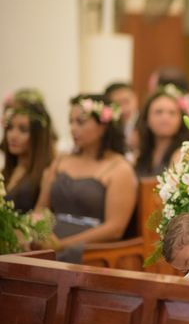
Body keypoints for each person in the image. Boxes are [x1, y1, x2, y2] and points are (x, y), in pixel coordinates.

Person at [33, 94, 137, 262]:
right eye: (71, 122)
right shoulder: (61, 160)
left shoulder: (120, 169)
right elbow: (40, 209)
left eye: (80, 122)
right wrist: (41, 234)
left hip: (90, 250)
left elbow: (115, 228)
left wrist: (63, 244)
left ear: (103, 126)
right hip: (50, 239)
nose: (73, 128)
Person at [1, 99, 55, 212]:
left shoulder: (46, 173)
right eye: (10, 128)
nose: (13, 136)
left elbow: (40, 219)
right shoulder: (6, 171)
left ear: (38, 135)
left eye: (23, 130)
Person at [135, 85, 189, 177]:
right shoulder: (140, 153)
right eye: (158, 112)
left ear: (181, 119)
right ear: (146, 118)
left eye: (172, 113)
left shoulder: (186, 153)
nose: (165, 118)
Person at [104, 82, 139, 156]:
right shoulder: (105, 126)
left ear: (135, 98)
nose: (124, 108)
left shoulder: (146, 122)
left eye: (127, 101)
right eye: (118, 104)